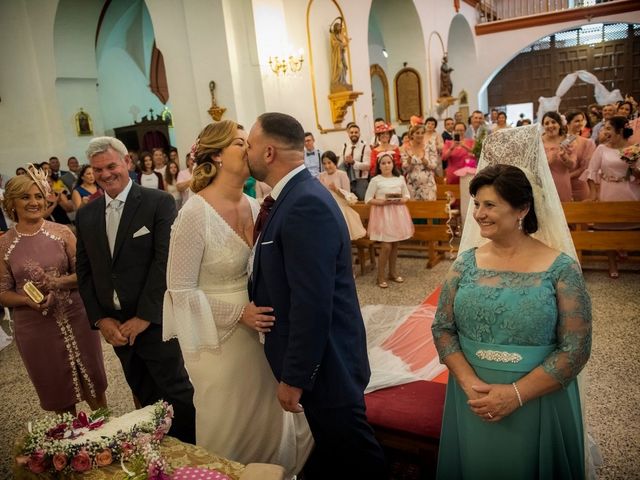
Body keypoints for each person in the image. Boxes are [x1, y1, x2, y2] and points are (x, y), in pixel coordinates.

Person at [433, 126, 592, 479]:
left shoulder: (560, 269)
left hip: (537, 398)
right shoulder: (465, 263)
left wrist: (517, 394)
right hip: (471, 396)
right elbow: (442, 328)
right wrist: (467, 381)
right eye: (477, 204)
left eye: (490, 205)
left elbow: (576, 348)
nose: (479, 214)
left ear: (521, 208)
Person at [163, 121, 312, 475]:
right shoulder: (193, 215)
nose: (250, 149)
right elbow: (179, 291)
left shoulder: (256, 203)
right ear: (216, 155)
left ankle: (275, 471)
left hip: (262, 332)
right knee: (228, 420)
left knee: (269, 416)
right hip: (217, 339)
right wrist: (237, 314)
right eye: (241, 143)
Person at [246, 112, 387, 479]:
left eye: (250, 145)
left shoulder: (304, 203)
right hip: (323, 362)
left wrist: (295, 377)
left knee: (358, 457)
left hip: (328, 364)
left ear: (270, 152)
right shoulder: (295, 196)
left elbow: (312, 303)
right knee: (337, 454)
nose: (246, 152)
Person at [75, 136, 195, 444]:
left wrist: (144, 316)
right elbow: (85, 272)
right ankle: (160, 454)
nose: (105, 174)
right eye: (97, 169)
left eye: (111, 166)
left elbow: (164, 262)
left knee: (176, 391)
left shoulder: (157, 202)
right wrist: (101, 320)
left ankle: (192, 455)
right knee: (142, 390)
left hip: (155, 321)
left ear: (127, 162)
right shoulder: (87, 214)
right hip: (116, 326)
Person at [0, 167, 107, 414]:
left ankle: (106, 436)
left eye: (38, 196)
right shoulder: (4, 244)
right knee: (58, 393)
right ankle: (72, 447)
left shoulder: (62, 232)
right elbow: (3, 291)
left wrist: (59, 283)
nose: (35, 202)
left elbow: (86, 274)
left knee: (94, 385)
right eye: (26, 197)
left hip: (76, 316)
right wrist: (26, 300)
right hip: (34, 327)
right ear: (11, 202)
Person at [582, 116, 639, 278]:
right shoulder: (601, 149)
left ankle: (625, 250)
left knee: (631, 228)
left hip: (629, 191)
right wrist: (593, 194)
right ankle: (612, 263)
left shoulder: (633, 148)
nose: (604, 131)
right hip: (608, 191)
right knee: (607, 228)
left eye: (608, 128)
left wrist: (633, 166)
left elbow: (638, 174)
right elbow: (591, 173)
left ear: (619, 131)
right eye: (604, 128)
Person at [365, 152, 414, 288]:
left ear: (393, 164)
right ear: (379, 166)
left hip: (398, 214)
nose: (386, 165)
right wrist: (382, 202)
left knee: (395, 245)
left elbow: (407, 195)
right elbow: (368, 199)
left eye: (389, 163)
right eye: (383, 163)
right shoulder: (376, 180)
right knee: (386, 246)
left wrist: (402, 200)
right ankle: (380, 276)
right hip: (383, 215)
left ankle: (392, 272)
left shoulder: (399, 179)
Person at [318, 151, 366, 241]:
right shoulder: (321, 176)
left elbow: (348, 197)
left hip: (341, 209)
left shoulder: (342, 175)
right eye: (324, 163)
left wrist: (336, 190)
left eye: (329, 163)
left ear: (334, 162)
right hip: (326, 209)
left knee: (342, 238)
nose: (327, 166)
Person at [541, 111, 577, 202]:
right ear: (543, 126)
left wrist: (565, 157)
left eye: (553, 122)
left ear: (560, 124)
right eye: (546, 123)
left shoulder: (568, 140)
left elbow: (572, 165)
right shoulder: (538, 142)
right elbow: (534, 166)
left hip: (562, 182)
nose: (550, 126)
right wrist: (549, 161)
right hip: (544, 184)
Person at [564, 110, 596, 201]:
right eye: (577, 121)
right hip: (561, 184)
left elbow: (585, 167)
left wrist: (567, 177)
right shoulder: (560, 140)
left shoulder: (588, 143)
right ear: (568, 123)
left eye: (582, 120)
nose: (580, 123)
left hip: (579, 184)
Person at [401, 124, 438, 200]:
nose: (420, 135)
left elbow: (434, 165)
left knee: (430, 209)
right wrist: (409, 163)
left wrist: (426, 162)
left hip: (428, 184)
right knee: (414, 209)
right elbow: (405, 170)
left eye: (422, 133)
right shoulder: (406, 148)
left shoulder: (430, 146)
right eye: (417, 133)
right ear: (412, 135)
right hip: (412, 185)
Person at [329, 17, 351, 91]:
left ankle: (343, 81)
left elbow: (342, 44)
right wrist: (341, 44)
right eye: (338, 27)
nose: (339, 28)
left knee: (344, 68)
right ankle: (338, 81)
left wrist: (345, 43)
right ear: (335, 28)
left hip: (341, 55)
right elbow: (334, 44)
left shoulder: (339, 36)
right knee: (340, 67)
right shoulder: (333, 36)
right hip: (337, 56)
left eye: (340, 27)